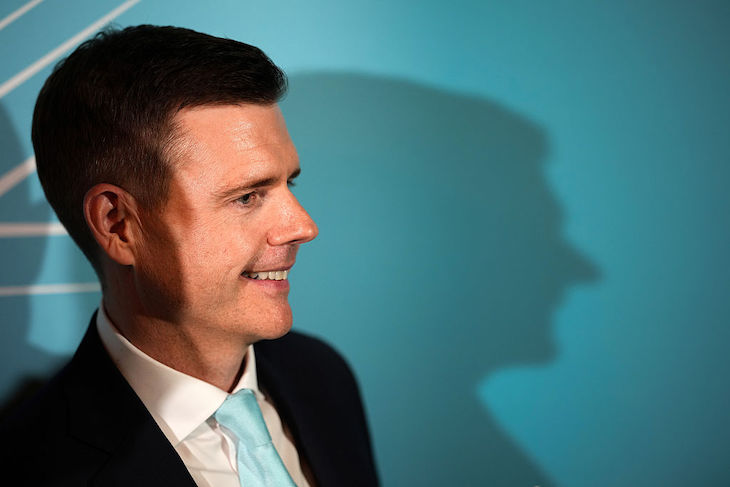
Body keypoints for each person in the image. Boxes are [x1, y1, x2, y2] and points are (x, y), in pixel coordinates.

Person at [0, 25, 378, 487]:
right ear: (118, 225)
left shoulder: (320, 376)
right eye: (247, 196)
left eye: (289, 183)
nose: (304, 226)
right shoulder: (34, 467)